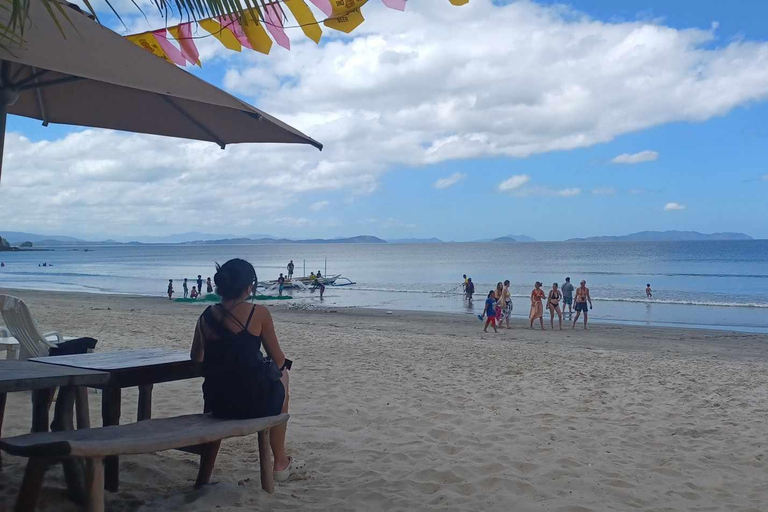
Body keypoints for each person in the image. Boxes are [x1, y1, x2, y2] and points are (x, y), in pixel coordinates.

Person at [190, 258, 299, 481]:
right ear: (249, 287)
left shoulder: (206, 316)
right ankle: (279, 461)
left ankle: (206, 471)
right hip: (253, 403)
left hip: (218, 403)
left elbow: (196, 358)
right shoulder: (258, 313)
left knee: (231, 380)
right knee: (283, 375)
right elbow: (278, 360)